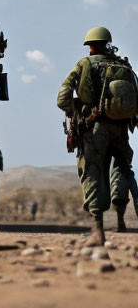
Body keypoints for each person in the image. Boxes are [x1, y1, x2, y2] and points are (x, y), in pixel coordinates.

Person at [57, 26, 137, 246]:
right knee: (121, 169)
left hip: (94, 127)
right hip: (121, 128)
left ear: (90, 46)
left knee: (92, 170)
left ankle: (98, 230)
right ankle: (121, 219)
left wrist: (73, 113)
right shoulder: (123, 66)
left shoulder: (85, 64)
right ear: (108, 43)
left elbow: (62, 97)